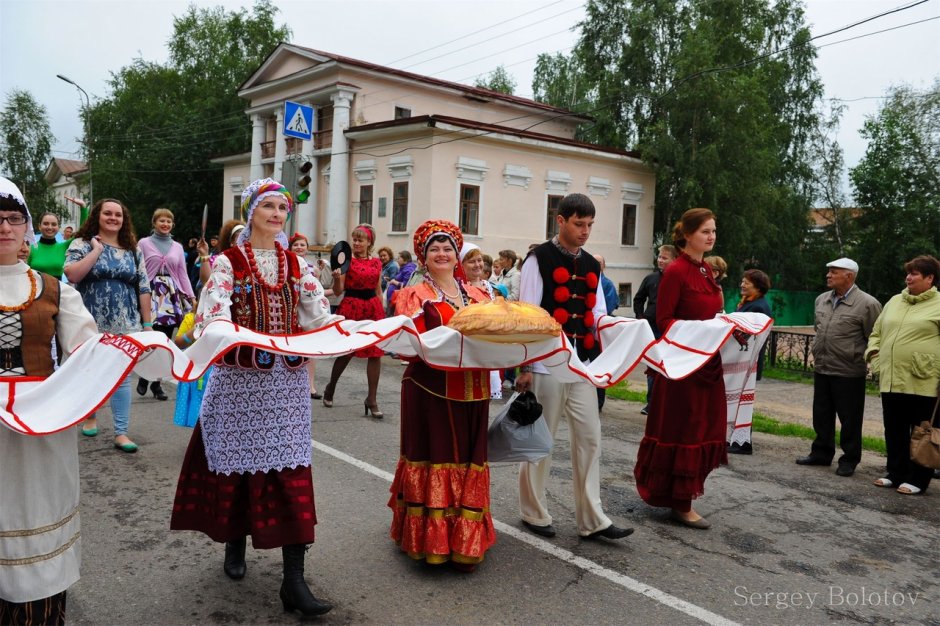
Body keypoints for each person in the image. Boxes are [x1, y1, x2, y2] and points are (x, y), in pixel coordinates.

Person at [170, 178, 334, 617]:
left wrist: (345, 330)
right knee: (237, 468)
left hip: (285, 387)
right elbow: (212, 317)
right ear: (251, 213)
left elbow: (318, 317)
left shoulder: (299, 265)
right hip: (238, 384)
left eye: (284, 207)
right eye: (269, 206)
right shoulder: (227, 264)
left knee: (292, 470)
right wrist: (242, 335)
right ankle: (234, 543)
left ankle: (294, 581)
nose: (278, 213)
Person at [0, 177, 98, 624]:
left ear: (26, 229)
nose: (4, 227)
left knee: (35, 515)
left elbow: (87, 349)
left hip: (40, 429)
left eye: (13, 219)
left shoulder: (53, 288)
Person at [516, 193, 633, 541]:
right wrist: (525, 365)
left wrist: (623, 332)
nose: (585, 231)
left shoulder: (592, 264)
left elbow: (597, 315)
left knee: (589, 438)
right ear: (561, 221)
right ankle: (533, 511)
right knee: (542, 439)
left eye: (590, 225)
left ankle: (592, 518)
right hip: (546, 363)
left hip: (582, 364)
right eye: (579, 224)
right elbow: (528, 313)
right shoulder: (538, 259)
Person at [389, 219, 495, 571]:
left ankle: (466, 539)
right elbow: (407, 345)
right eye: (434, 248)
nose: (442, 253)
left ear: (457, 255)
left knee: (469, 459)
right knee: (438, 456)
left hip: (475, 389)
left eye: (447, 248)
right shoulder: (413, 295)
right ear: (423, 256)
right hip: (430, 389)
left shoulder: (481, 295)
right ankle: (433, 541)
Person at [633, 208, 724, 530]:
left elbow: (712, 313)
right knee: (685, 428)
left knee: (703, 427)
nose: (711, 236)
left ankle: (681, 495)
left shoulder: (706, 272)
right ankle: (679, 502)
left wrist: (727, 327)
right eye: (705, 232)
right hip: (684, 364)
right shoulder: (675, 271)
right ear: (687, 235)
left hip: (707, 362)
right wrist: (700, 334)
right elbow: (665, 320)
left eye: (713, 231)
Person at [65, 198, 152, 453]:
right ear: (97, 216)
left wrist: (147, 324)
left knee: (122, 376)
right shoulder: (81, 244)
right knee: (90, 372)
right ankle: (90, 414)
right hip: (89, 321)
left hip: (127, 322)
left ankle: (121, 432)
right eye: (108, 213)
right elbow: (72, 274)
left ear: (124, 220)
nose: (113, 218)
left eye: (118, 214)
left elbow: (143, 288)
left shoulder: (133, 250)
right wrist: (96, 251)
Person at [796, 257, 882, 477]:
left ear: (849, 276)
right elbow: (819, 328)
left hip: (849, 371)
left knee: (850, 418)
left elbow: (873, 335)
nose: (828, 275)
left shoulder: (868, 303)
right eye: (829, 272)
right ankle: (821, 453)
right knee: (821, 414)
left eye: (834, 272)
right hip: (823, 366)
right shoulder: (822, 299)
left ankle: (849, 459)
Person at [865, 255, 940, 494]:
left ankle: (918, 478)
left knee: (921, 431)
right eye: (908, 273)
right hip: (891, 378)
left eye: (915, 274)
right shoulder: (894, 301)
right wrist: (875, 358)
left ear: (930, 278)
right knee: (894, 428)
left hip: (925, 380)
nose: (909, 277)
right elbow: (876, 333)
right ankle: (895, 472)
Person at [322, 223, 385, 418]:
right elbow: (339, 291)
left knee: (375, 353)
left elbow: (378, 289)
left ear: (369, 242)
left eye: (360, 240)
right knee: (347, 351)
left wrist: (382, 311)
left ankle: (371, 399)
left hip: (372, 308)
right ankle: (331, 387)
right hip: (352, 306)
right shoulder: (347, 262)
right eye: (354, 239)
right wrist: (337, 278)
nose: (356, 243)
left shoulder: (376, 263)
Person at [136, 208, 196, 401]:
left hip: (170, 296)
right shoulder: (144, 243)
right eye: (161, 221)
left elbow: (182, 273)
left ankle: (157, 383)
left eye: (169, 221)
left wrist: (191, 296)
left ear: (172, 225)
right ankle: (145, 376)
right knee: (152, 338)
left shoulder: (177, 247)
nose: (165, 224)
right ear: (154, 223)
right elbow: (138, 268)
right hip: (151, 293)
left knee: (166, 340)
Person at [729, 269, 774, 455]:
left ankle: (743, 443)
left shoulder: (758, 307)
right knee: (738, 401)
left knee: (743, 404)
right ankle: (736, 439)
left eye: (746, 282)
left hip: (747, 362)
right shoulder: (749, 303)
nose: (742, 284)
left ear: (757, 286)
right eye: (742, 281)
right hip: (741, 360)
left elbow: (747, 335)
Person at [633, 244, 678, 414]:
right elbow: (638, 298)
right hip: (650, 327)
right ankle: (651, 403)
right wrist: (640, 318)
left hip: (670, 328)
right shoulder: (651, 279)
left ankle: (666, 403)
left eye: (664, 258)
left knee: (666, 366)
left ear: (674, 260)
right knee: (652, 365)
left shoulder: (677, 280)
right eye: (659, 256)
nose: (660, 260)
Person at [461, 242, 503, 400]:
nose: (478, 265)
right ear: (461, 264)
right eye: (471, 261)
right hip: (469, 347)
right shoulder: (459, 286)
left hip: (488, 345)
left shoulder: (487, 285)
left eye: (479, 260)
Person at [290, 232, 323, 400]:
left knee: (311, 350)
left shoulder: (312, 268)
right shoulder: (286, 264)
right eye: (296, 244)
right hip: (292, 313)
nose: (299, 247)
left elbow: (316, 292)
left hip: (307, 312)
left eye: (302, 245)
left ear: (307, 248)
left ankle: (310, 385)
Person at [593, 253, 619, 411]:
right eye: (594, 262)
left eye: (599, 262)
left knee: (600, 366)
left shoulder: (606, 284)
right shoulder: (587, 278)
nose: (596, 265)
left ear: (604, 265)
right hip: (587, 330)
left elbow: (607, 307)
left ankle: (598, 402)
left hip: (600, 329)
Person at [28, 212, 70, 279]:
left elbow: (83, 232)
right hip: (35, 288)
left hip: (58, 289)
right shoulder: (30, 248)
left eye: (53, 224)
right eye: (46, 224)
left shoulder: (64, 247)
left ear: (58, 227)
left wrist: (83, 208)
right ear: (39, 226)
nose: (50, 227)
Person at [385, 249, 417, 315]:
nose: (397, 260)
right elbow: (399, 279)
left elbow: (406, 285)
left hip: (397, 299)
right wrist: (391, 279)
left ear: (405, 259)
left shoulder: (409, 269)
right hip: (393, 298)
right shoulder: (404, 267)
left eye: (399, 258)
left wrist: (394, 282)